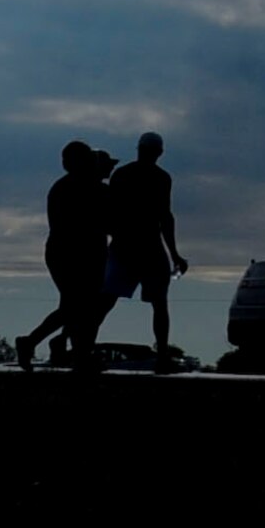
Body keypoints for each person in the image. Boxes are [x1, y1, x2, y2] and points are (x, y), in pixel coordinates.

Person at [16, 141, 111, 372]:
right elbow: (102, 222)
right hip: (74, 255)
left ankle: (78, 354)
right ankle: (36, 343)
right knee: (77, 307)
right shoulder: (82, 188)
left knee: (76, 307)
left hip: (73, 253)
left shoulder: (69, 187)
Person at [98, 131, 188, 369]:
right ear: (159, 152)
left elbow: (163, 217)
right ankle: (162, 355)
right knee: (151, 303)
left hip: (133, 246)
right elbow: (164, 217)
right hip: (140, 246)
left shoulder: (127, 175)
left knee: (110, 299)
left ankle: (161, 355)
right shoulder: (158, 178)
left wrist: (174, 253)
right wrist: (174, 253)